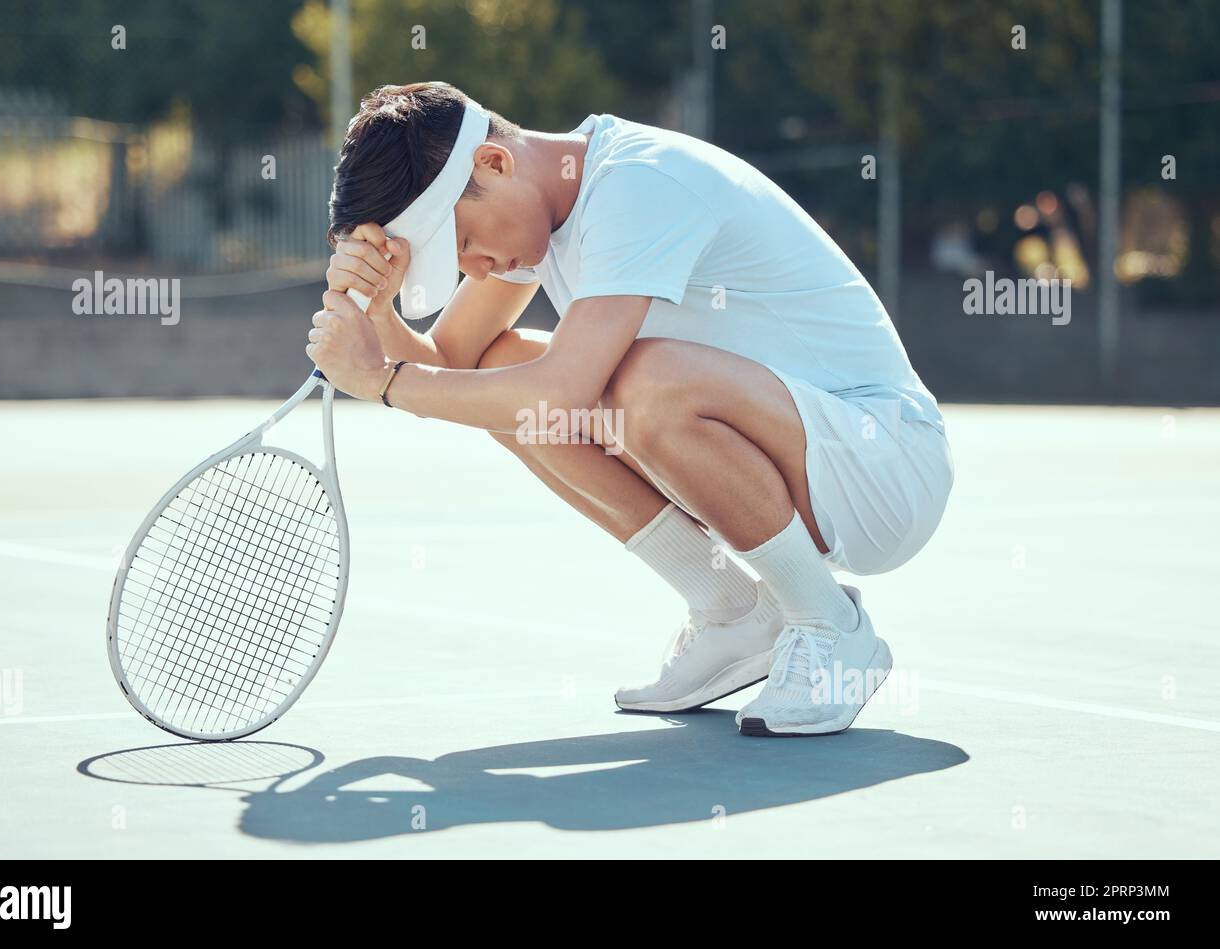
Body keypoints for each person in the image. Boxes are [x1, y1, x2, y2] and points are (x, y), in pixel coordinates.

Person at [308, 81, 953, 736]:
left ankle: (831, 626)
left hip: (888, 466)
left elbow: (557, 391)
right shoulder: (541, 206)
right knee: (504, 372)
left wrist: (381, 380)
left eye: (465, 242)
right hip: (808, 455)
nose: (473, 269)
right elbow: (453, 366)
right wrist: (380, 311)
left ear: (495, 164)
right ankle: (730, 611)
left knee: (640, 380)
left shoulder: (637, 183)